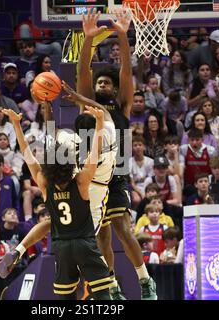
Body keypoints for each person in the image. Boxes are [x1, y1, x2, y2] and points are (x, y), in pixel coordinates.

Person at [76, 9, 157, 299]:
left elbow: (125, 70)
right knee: (102, 236)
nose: (101, 85)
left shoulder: (121, 106)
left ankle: (145, 281)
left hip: (118, 173)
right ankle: (109, 288)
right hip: (92, 174)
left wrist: (123, 35)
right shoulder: (86, 105)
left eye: (106, 83)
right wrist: (88, 40)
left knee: (123, 227)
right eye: (99, 83)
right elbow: (83, 70)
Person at [0, 106, 113, 300]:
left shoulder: (44, 184)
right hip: (85, 244)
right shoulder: (81, 182)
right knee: (103, 296)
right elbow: (95, 152)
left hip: (61, 247)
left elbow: (28, 155)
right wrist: (100, 122)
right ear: (70, 164)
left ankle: (19, 251)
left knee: (65, 297)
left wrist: (17, 125)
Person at [129, 135, 154, 207]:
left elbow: (151, 180)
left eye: (140, 145)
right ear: (132, 148)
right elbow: (132, 183)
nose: (138, 147)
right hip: (135, 188)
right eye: (135, 145)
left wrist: (146, 192)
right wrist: (141, 193)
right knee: (136, 199)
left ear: (144, 147)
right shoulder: (129, 162)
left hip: (148, 187)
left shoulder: (150, 161)